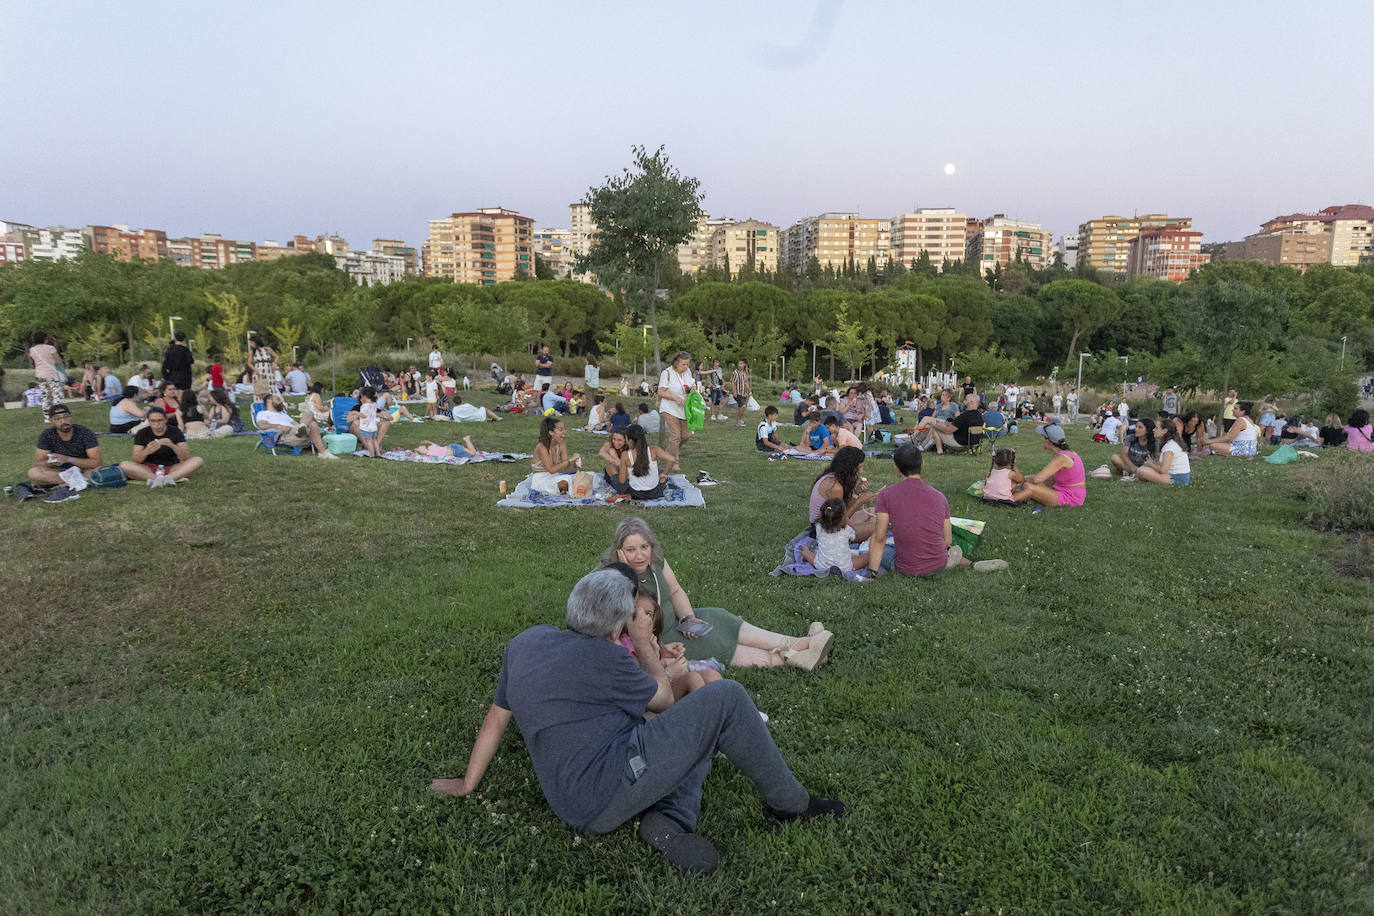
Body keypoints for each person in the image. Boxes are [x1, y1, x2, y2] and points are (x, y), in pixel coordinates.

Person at [429, 569, 848, 876]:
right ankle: (792, 806)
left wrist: (468, 783)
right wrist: (646, 641)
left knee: (691, 728)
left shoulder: (525, 643)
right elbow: (664, 698)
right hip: (603, 794)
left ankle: (668, 821)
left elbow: (496, 717)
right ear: (618, 625)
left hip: (568, 796)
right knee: (724, 698)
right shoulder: (609, 657)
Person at [602, 517, 833, 670]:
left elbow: (675, 590)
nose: (640, 555)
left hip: (680, 623)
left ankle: (797, 643)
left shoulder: (656, 561)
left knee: (720, 618)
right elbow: (619, 626)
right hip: (660, 640)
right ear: (619, 552)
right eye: (630, 550)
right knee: (718, 643)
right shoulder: (612, 578)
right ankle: (793, 658)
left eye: (644, 547)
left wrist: (689, 617)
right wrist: (624, 572)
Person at [862, 444, 1005, 577]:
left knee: (880, 548)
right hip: (938, 564)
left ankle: (875, 570)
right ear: (922, 463)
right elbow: (947, 540)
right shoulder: (939, 497)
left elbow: (879, 538)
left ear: (896, 468)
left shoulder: (887, 495)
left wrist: (872, 573)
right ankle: (968, 563)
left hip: (907, 568)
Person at [117, 407, 203, 487]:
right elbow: (136, 460)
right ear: (149, 421)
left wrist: (172, 446)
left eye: (160, 420)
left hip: (172, 467)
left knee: (197, 460)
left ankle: (166, 478)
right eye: (153, 421)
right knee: (124, 465)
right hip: (148, 468)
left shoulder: (175, 431)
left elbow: (186, 457)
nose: (157, 424)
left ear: (165, 420)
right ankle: (160, 479)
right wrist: (147, 451)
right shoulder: (142, 433)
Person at [808, 446, 877, 543]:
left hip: (832, 522)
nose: (861, 471)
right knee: (878, 527)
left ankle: (863, 536)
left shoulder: (832, 476)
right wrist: (860, 502)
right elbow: (840, 520)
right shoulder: (835, 487)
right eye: (859, 467)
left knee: (875, 512)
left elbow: (843, 510)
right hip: (825, 530)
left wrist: (856, 493)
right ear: (850, 468)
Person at [1011, 423, 1086, 508]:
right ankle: (1012, 495)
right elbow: (1049, 480)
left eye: (1042, 436)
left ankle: (1008, 500)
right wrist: (1023, 479)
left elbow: (1037, 479)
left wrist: (1022, 480)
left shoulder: (1061, 458)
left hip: (1071, 497)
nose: (1041, 439)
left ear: (1048, 440)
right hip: (1061, 490)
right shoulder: (1063, 454)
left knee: (1028, 486)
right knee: (1029, 484)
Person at [29, 405, 103, 485]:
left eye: (66, 417)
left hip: (84, 468)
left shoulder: (85, 433)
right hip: (59, 471)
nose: (63, 421)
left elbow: (96, 463)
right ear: (51, 421)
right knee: (33, 472)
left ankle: (69, 482)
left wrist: (68, 459)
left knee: (96, 471)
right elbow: (40, 463)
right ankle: (77, 481)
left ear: (71, 417)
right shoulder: (47, 435)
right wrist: (53, 461)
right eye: (57, 418)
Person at [254, 393, 337, 458]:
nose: (281, 402)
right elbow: (262, 425)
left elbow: (295, 424)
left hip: (297, 432)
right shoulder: (263, 414)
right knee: (312, 424)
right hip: (286, 435)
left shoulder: (283, 414)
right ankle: (323, 452)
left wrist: (303, 426)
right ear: (269, 401)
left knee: (310, 415)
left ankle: (321, 452)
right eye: (278, 399)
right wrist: (279, 426)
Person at [802, 497, 868, 572]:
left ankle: (805, 550)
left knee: (806, 553)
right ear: (843, 517)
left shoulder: (818, 527)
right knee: (867, 557)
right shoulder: (847, 530)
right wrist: (847, 521)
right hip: (844, 567)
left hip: (821, 566)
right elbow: (855, 536)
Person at [621, 423, 680, 500]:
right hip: (655, 493)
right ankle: (668, 484)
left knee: (616, 479)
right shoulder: (654, 450)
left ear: (630, 441)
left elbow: (622, 480)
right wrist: (665, 474)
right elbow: (672, 459)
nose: (626, 442)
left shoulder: (625, 455)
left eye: (626, 440)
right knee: (661, 472)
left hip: (635, 495)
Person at [915, 393, 983, 454]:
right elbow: (959, 426)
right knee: (939, 425)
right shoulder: (979, 415)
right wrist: (946, 424)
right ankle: (922, 446)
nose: (963, 402)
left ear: (971, 402)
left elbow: (948, 430)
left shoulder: (964, 416)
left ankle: (939, 451)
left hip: (960, 444)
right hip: (974, 443)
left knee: (935, 428)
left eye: (965, 400)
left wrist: (935, 425)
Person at [657, 351, 695, 457]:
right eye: (683, 364)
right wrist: (675, 398)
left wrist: (692, 389)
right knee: (675, 436)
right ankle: (674, 462)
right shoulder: (667, 373)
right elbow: (661, 392)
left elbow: (690, 385)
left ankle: (670, 452)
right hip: (670, 408)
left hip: (684, 408)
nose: (686, 366)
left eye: (687, 364)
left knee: (686, 435)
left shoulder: (687, 372)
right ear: (675, 363)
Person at [530, 416, 581, 495]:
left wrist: (575, 465)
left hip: (555, 477)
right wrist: (570, 460)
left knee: (578, 477)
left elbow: (566, 469)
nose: (564, 432)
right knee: (566, 480)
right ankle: (563, 489)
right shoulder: (541, 447)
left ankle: (563, 489)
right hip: (541, 480)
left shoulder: (561, 445)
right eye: (560, 430)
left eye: (564, 429)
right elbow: (551, 470)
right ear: (551, 432)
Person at [1137, 417, 1191, 485]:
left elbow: (1163, 470)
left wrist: (1150, 464)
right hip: (1175, 476)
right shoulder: (1170, 443)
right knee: (1143, 469)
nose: (1153, 430)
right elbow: (1164, 465)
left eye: (1156, 428)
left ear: (1164, 431)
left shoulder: (1170, 446)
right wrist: (1152, 462)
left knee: (1141, 471)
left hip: (1177, 479)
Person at [27, 333, 65, 413]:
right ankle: (58, 413)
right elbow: (58, 361)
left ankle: (47, 416)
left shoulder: (32, 350)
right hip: (51, 374)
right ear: (44, 339)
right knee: (56, 394)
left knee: (45, 395)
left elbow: (34, 361)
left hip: (40, 375)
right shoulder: (51, 348)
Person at [599, 428, 632, 494]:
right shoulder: (610, 444)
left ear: (625, 440)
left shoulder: (629, 447)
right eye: (614, 439)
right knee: (611, 451)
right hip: (613, 473)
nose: (616, 442)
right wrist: (615, 461)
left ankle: (623, 483)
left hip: (626, 473)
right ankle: (617, 483)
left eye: (619, 440)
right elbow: (602, 452)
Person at [354, 386, 384, 457]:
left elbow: (364, 415)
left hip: (366, 427)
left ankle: (372, 455)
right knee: (375, 440)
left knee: (369, 441)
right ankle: (378, 454)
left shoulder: (364, 406)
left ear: (364, 396)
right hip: (373, 426)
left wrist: (356, 413)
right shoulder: (374, 404)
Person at [730, 359, 751, 427]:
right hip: (738, 393)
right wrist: (734, 391)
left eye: (741, 363)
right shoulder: (735, 372)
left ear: (744, 364)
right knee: (743, 406)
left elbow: (746, 382)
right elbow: (733, 382)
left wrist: (749, 390)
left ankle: (739, 421)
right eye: (739, 363)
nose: (739, 365)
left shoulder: (745, 373)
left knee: (740, 407)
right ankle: (740, 420)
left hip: (743, 393)